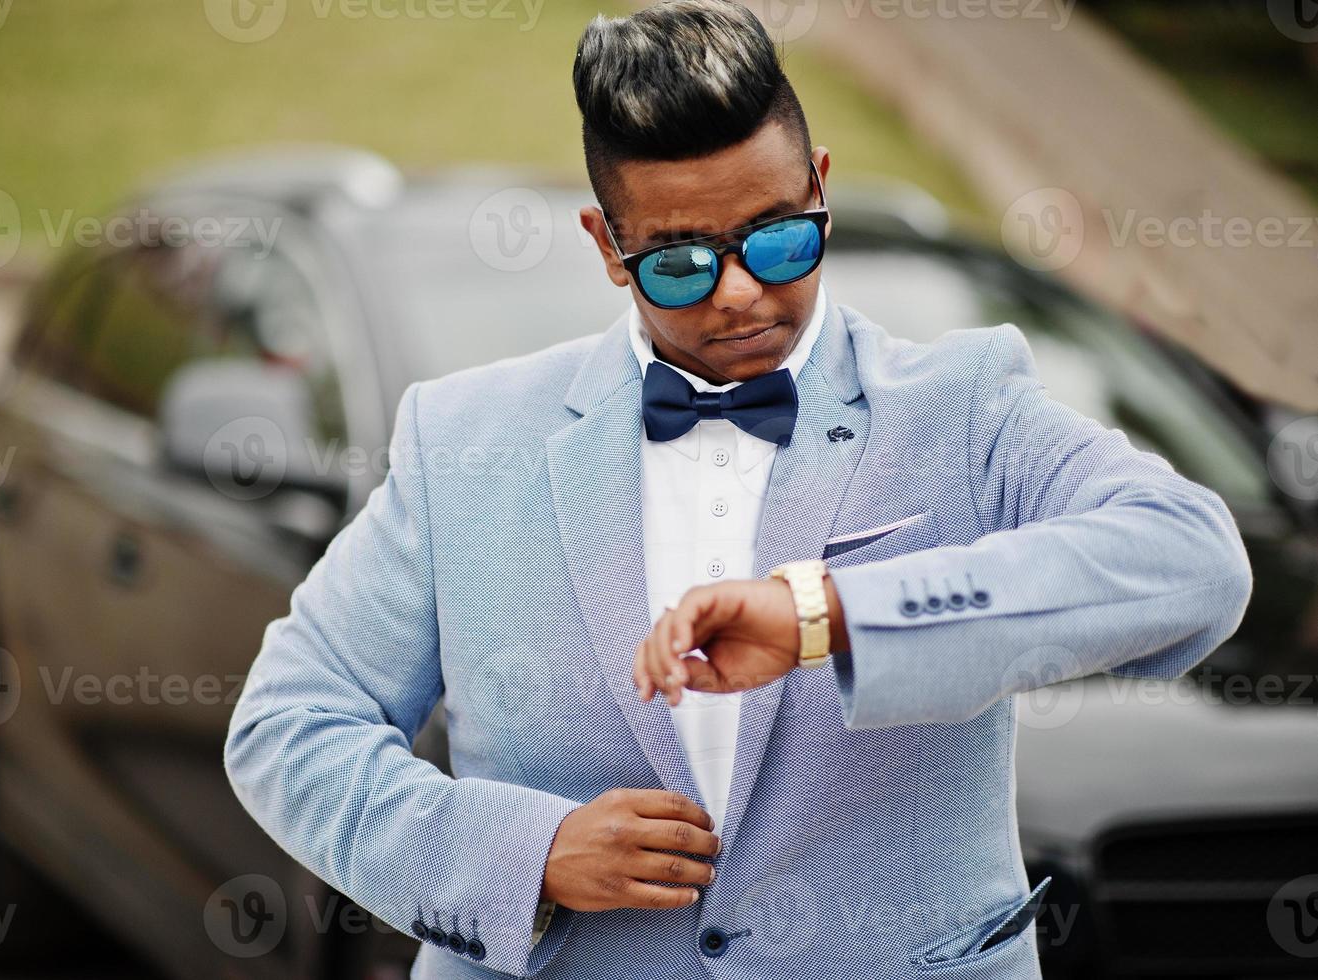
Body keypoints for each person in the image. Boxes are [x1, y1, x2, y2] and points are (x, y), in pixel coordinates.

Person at [225, 2, 1253, 976]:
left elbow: (1191, 559)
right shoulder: (462, 441)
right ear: (607, 247)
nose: (743, 292)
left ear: (822, 186)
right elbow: (288, 721)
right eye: (680, 263)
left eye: (778, 238)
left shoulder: (965, 404)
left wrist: (827, 613)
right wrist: (524, 854)